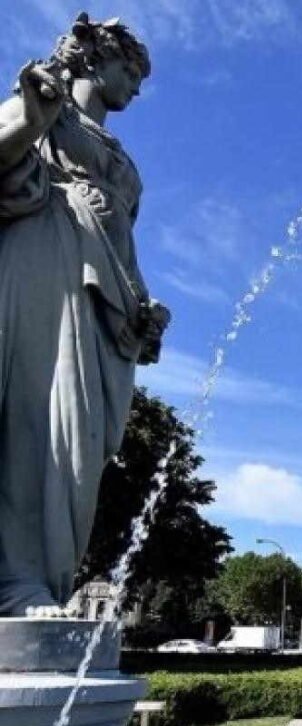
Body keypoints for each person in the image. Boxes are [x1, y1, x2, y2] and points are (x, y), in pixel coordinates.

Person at [0, 14, 169, 616]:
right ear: (97, 59)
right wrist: (30, 117)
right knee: (38, 422)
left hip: (105, 300)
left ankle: (43, 578)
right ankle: (18, 585)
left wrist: (145, 306)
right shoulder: (42, 102)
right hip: (45, 262)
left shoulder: (122, 161)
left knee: (80, 449)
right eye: (131, 71)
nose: (137, 88)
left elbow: (123, 243)